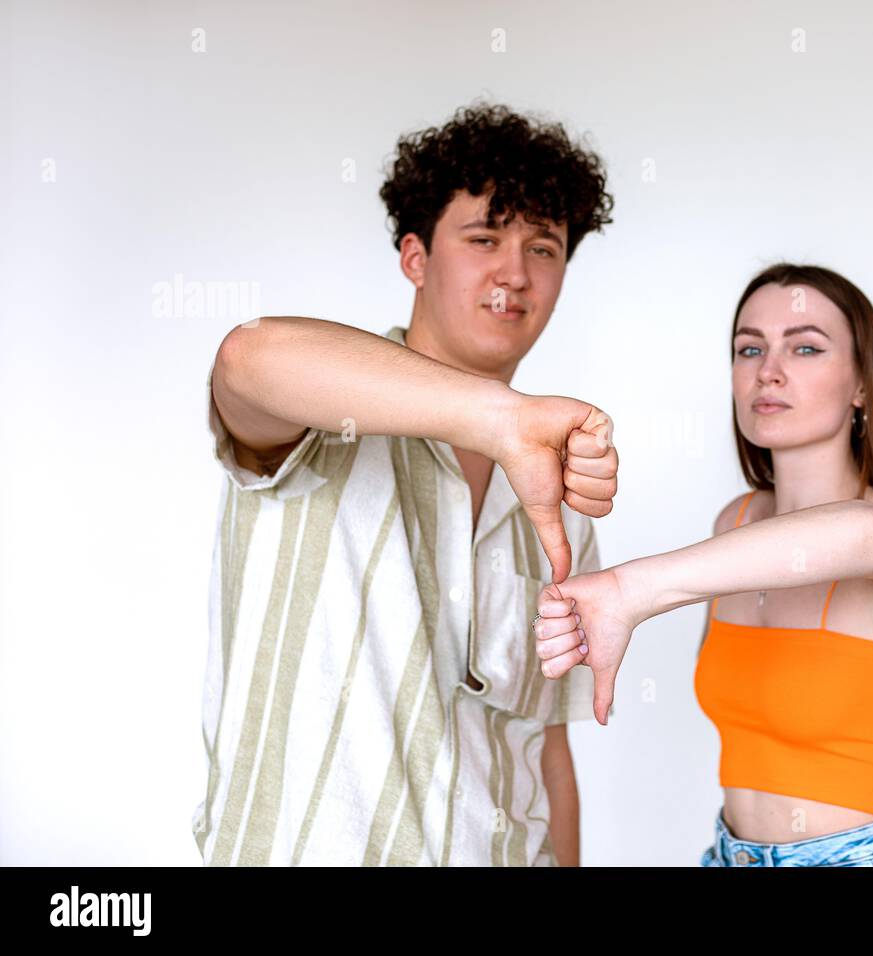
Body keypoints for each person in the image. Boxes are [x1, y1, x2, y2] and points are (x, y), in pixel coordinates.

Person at [194, 102, 619, 866]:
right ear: (415, 257)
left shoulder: (558, 502)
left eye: (544, 247)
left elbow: (545, 743)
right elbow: (244, 360)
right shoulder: (320, 412)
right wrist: (500, 419)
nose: (514, 273)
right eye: (484, 238)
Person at [532, 263, 873, 867]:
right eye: (749, 348)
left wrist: (634, 590)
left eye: (805, 347)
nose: (768, 370)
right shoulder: (735, 523)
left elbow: (872, 535)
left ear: (862, 384)